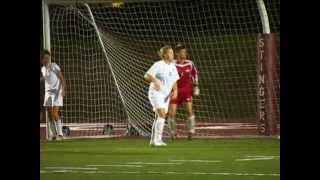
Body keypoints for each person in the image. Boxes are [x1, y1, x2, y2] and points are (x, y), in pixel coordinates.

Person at [144, 45, 179, 146]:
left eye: (172, 53)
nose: (172, 54)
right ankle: (158, 140)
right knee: (162, 115)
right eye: (170, 53)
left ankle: (152, 140)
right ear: (164, 55)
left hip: (166, 95)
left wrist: (175, 90)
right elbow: (146, 75)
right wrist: (155, 80)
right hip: (155, 93)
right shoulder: (158, 65)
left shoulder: (172, 66)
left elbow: (174, 80)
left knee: (158, 117)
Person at [168, 44, 199, 140]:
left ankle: (191, 132)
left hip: (187, 91)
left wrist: (196, 86)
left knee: (190, 111)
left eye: (185, 52)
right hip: (175, 91)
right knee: (172, 113)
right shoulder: (171, 63)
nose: (184, 53)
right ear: (177, 53)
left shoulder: (190, 63)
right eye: (182, 52)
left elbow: (195, 74)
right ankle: (173, 133)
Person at [41, 50, 66, 141]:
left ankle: (60, 134)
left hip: (57, 92)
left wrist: (63, 90)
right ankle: (54, 135)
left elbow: (62, 78)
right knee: (50, 115)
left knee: (55, 113)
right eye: (45, 58)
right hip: (48, 93)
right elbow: (46, 79)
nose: (47, 60)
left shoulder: (54, 66)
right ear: (42, 59)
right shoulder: (43, 69)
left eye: (48, 58)